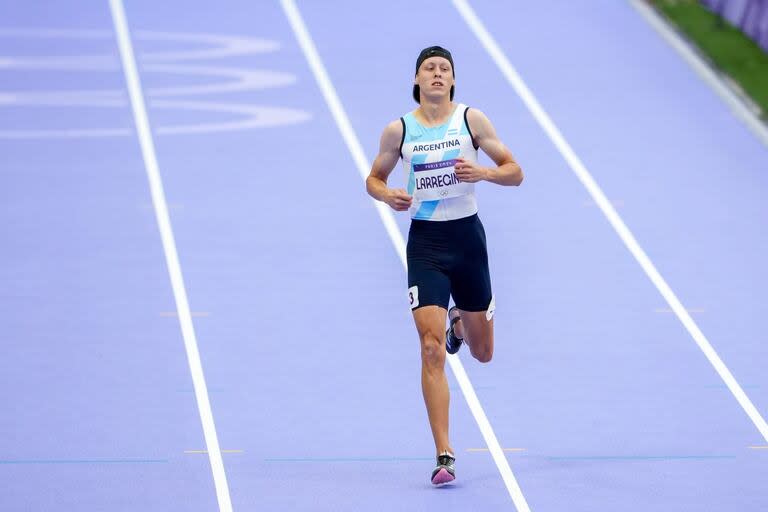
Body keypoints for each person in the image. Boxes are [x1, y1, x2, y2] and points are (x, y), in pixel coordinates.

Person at [365, 46, 523, 486]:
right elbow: (373, 178)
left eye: (444, 69)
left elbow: (516, 171)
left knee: (483, 352)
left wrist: (484, 174)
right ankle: (444, 454)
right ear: (417, 80)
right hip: (427, 244)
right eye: (429, 69)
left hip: (467, 241)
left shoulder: (472, 121)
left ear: (453, 81)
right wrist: (386, 195)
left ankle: (460, 327)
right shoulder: (399, 130)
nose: (437, 74)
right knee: (430, 348)